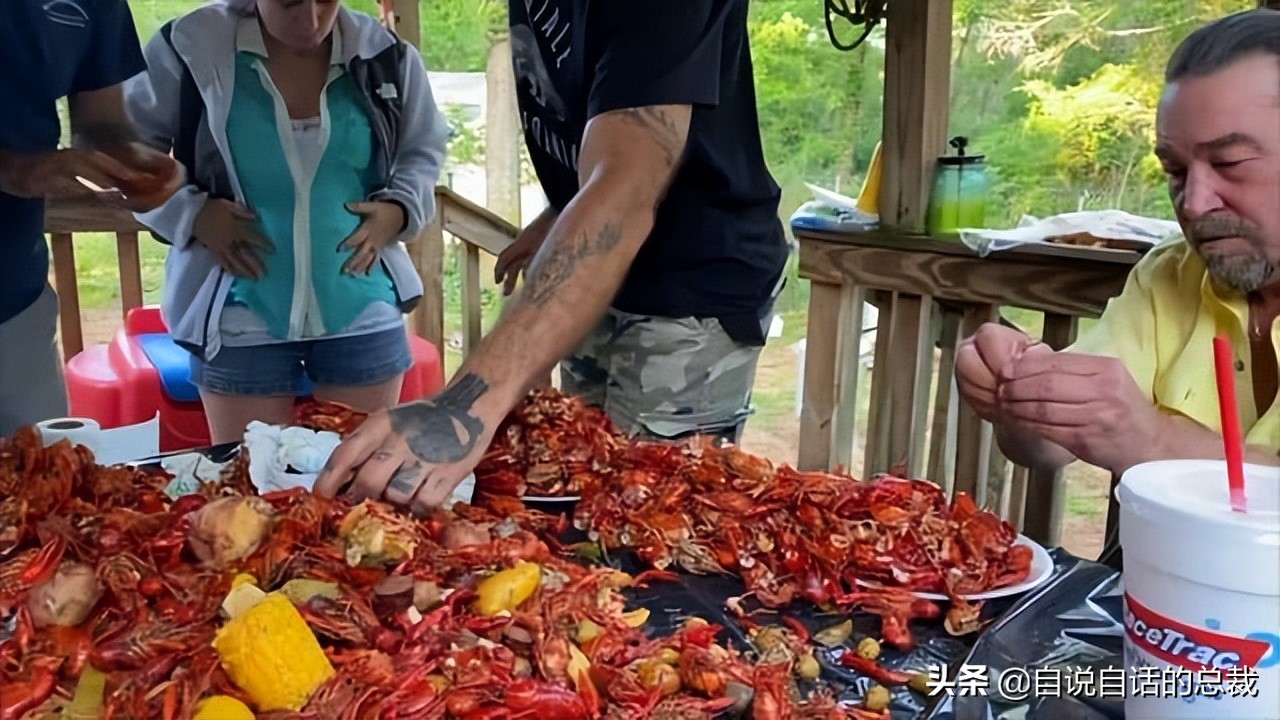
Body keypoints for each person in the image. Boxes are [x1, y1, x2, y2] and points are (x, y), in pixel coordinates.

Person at [315, 0, 788, 511]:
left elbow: (627, 185)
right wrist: (563, 209)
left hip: (694, 289)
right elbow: (611, 112)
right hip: (599, 286)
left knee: (649, 520)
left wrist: (462, 407)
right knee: (578, 489)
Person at [956, 8, 1280, 479]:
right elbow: (1047, 449)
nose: (1193, 203)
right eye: (1175, 171)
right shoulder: (1169, 275)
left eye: (1229, 163)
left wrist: (1154, 440)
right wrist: (1019, 392)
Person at [124, 0, 449, 444]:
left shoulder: (386, 55)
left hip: (362, 301)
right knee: (248, 487)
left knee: (358, 487)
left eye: (326, 2)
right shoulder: (188, 48)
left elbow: (422, 151)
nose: (311, 20)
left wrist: (400, 209)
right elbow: (127, 153)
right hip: (236, 311)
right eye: (290, 3)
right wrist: (192, 214)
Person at [0, 0, 185, 436]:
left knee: (45, 489)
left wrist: (132, 163)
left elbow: (101, 120)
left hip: (17, 301)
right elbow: (22, 170)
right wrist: (17, 170)